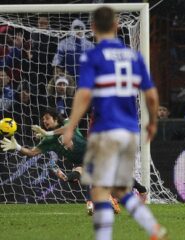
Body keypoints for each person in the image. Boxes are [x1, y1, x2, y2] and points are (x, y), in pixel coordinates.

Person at [61, 6, 166, 240]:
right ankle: (154, 229)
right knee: (118, 188)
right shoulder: (133, 56)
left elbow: (84, 94)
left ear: (93, 27)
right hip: (129, 130)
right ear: (117, 25)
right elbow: (150, 94)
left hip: (105, 128)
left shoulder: (94, 56)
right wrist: (152, 122)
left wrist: (70, 127)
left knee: (99, 188)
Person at [0, 108, 113, 214]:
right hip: (79, 162)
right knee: (80, 173)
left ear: (56, 118)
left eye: (47, 118)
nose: (44, 121)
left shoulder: (66, 122)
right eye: (43, 119)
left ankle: (99, 200)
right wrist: (17, 147)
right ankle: (74, 182)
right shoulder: (48, 141)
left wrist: (48, 133)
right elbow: (32, 153)